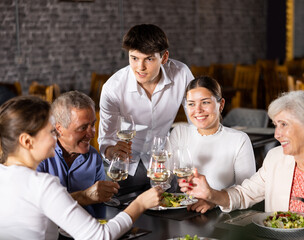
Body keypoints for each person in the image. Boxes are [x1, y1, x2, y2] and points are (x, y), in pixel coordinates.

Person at [181, 90, 304, 227]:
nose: (276, 134)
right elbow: (244, 195)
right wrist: (211, 194)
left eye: (284, 125)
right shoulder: (275, 158)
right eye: (276, 125)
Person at [0, 96, 163, 239]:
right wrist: (140, 204)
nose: (54, 137)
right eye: (51, 132)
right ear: (27, 141)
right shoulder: (43, 185)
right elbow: (100, 236)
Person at [98, 24, 194, 194]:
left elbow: (196, 121)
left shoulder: (181, 74)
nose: (140, 67)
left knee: (175, 211)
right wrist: (113, 150)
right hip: (126, 167)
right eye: (134, 58)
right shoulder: (113, 88)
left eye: (149, 59)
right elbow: (106, 139)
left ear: (164, 57)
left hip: (164, 164)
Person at [170, 76, 256, 213]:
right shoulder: (179, 133)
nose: (197, 110)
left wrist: (214, 200)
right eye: (191, 104)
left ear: (221, 104)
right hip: (180, 214)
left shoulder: (239, 139)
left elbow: (248, 192)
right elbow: (164, 177)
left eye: (205, 102)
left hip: (221, 216)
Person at [37, 91, 117, 218]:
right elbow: (38, 207)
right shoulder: (40, 157)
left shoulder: (94, 157)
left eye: (93, 125)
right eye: (83, 127)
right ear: (59, 129)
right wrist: (84, 196)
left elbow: (100, 206)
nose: (91, 134)